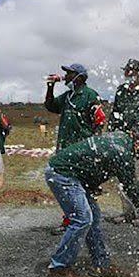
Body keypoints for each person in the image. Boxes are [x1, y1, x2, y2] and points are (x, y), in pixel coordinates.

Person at [45, 132, 139, 277]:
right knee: (82, 219)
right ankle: (59, 267)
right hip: (62, 174)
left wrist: (92, 182)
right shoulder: (122, 154)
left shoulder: (122, 139)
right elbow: (132, 191)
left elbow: (95, 160)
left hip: (71, 174)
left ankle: (102, 265)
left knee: (93, 217)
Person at [45, 63, 103, 232]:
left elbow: (99, 121)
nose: (66, 76)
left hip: (82, 151)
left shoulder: (91, 95)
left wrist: (93, 147)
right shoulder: (67, 96)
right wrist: (50, 87)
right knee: (65, 187)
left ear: (79, 77)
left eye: (70, 73)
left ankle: (87, 220)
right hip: (64, 149)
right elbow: (50, 106)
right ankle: (70, 219)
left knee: (82, 185)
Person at [108, 59, 139, 220]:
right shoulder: (121, 91)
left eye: (132, 71)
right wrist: (111, 134)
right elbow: (114, 114)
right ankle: (127, 213)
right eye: (127, 71)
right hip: (122, 141)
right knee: (122, 178)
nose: (128, 74)